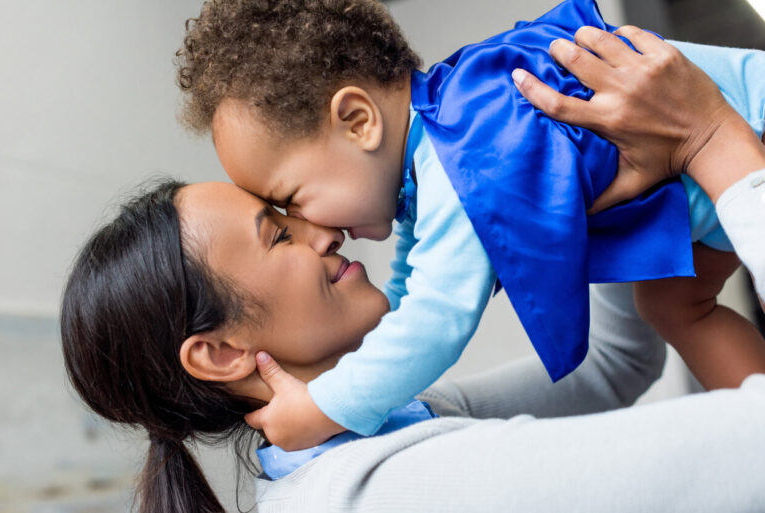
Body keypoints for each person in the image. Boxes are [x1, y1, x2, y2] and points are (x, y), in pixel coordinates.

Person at [175, 0, 765, 450]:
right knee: (673, 309)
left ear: (358, 122)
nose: (312, 229)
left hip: (748, 130)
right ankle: (752, 434)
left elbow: (437, 315)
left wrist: (325, 406)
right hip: (714, 188)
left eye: (292, 200)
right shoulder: (437, 144)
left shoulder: (467, 155)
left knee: (677, 308)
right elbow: (410, 285)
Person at [60, 180, 765, 513]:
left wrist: (598, 187)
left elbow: (613, 368)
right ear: (219, 352)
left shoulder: (387, 428)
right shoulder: (382, 491)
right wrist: (735, 168)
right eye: (278, 233)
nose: (323, 228)